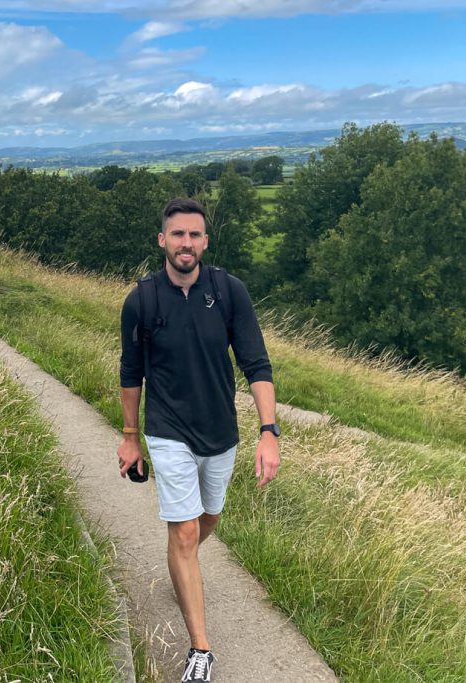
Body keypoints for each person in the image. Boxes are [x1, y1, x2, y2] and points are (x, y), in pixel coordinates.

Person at [117, 197, 280, 682]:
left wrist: (268, 431)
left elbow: (257, 364)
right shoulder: (141, 301)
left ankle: (179, 565)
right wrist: (130, 437)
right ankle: (200, 650)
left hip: (220, 433)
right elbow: (131, 374)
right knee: (185, 531)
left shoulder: (229, 292)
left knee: (208, 519)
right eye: (177, 234)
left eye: (194, 235)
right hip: (167, 431)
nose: (185, 243)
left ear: (205, 241)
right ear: (162, 240)